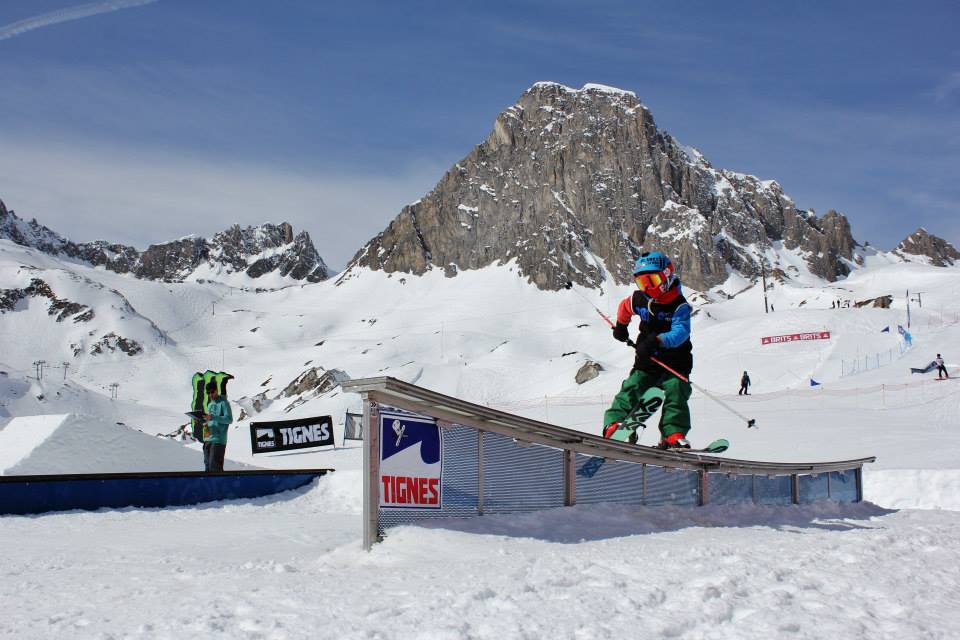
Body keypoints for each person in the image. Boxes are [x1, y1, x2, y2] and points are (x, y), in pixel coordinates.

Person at [603, 251, 693, 449]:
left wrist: (658, 341)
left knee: (676, 391)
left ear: (667, 274)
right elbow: (625, 307)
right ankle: (614, 422)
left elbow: (681, 332)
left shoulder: (679, 305)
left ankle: (672, 433)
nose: (648, 287)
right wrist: (621, 326)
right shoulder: (640, 299)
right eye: (642, 282)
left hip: (675, 360)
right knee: (633, 385)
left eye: (652, 280)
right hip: (647, 358)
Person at [203, 380, 233, 472]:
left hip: (218, 440)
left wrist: (213, 417)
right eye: (208, 393)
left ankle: (219, 486)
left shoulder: (224, 403)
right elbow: (210, 421)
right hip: (208, 439)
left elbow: (229, 419)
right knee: (207, 467)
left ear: (217, 391)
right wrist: (203, 422)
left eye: (212, 392)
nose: (210, 395)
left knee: (214, 467)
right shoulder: (210, 404)